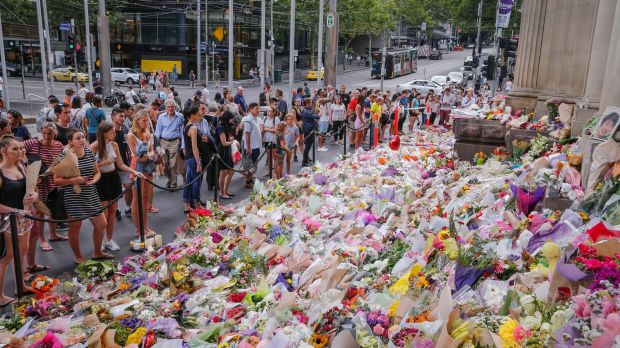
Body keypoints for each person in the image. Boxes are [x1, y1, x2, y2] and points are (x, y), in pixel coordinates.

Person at [53, 129, 112, 263]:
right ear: (70, 141)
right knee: (75, 226)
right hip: (73, 195)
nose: (82, 140)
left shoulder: (88, 152)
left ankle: (97, 252)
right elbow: (56, 179)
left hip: (90, 193)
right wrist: (74, 180)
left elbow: (97, 172)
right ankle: (78, 257)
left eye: (83, 137)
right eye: (78, 138)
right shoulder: (63, 155)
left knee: (102, 224)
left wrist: (94, 180)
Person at [90, 122, 142, 252]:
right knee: (104, 212)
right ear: (103, 133)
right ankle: (101, 241)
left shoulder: (114, 144)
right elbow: (90, 168)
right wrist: (103, 163)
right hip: (100, 180)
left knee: (113, 210)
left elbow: (120, 164)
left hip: (113, 177)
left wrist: (134, 171)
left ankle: (109, 239)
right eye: (112, 132)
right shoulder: (94, 147)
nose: (115, 134)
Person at [0, 135, 38, 306]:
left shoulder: (22, 166)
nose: (20, 151)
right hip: (7, 220)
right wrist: (17, 211)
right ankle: (0, 296)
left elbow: (32, 188)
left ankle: (20, 285)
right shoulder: (0, 172)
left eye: (21, 148)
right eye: (15, 148)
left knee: (22, 251)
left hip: (24, 217)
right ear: (3, 151)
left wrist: (34, 196)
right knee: (7, 256)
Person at [25, 122, 66, 253]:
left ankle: (53, 235)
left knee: (52, 209)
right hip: (39, 183)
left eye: (50, 133)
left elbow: (61, 162)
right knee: (40, 212)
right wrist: (26, 168)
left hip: (53, 182)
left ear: (55, 133)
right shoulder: (32, 143)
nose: (46, 136)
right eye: (44, 133)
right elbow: (17, 150)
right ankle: (42, 239)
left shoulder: (58, 145)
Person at [128, 110, 157, 237]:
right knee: (137, 199)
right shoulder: (131, 135)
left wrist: (148, 154)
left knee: (145, 199)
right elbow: (139, 156)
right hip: (137, 169)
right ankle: (138, 229)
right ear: (137, 120)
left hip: (148, 168)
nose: (146, 123)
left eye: (148, 120)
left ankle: (145, 227)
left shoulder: (147, 133)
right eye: (144, 121)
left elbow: (151, 153)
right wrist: (145, 143)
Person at [155, 99, 184, 189]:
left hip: (174, 141)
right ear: (166, 108)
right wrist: (156, 144)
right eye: (169, 107)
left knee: (173, 163)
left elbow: (182, 130)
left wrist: (182, 143)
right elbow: (158, 131)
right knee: (165, 164)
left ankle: (173, 184)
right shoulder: (161, 117)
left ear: (175, 107)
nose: (170, 108)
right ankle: (169, 179)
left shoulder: (180, 116)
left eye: (172, 107)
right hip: (163, 141)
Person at [182, 104, 205, 211]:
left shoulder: (186, 126)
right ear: (192, 115)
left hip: (188, 157)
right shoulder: (193, 128)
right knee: (196, 182)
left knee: (189, 181)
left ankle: (187, 204)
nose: (199, 116)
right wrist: (198, 162)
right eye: (197, 114)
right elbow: (194, 147)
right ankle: (197, 204)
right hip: (193, 157)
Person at [240, 103, 263, 187]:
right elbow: (247, 133)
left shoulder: (255, 118)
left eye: (258, 108)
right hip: (251, 146)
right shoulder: (249, 120)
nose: (258, 110)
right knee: (249, 164)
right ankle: (248, 181)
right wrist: (248, 147)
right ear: (250, 109)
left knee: (253, 163)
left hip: (255, 145)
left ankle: (250, 180)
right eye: (256, 108)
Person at [217, 111, 235, 199]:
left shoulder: (226, 126)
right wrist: (232, 142)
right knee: (223, 172)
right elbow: (223, 143)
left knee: (231, 171)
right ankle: (222, 192)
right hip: (222, 152)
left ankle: (225, 190)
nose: (232, 120)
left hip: (227, 151)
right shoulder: (221, 127)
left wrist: (230, 139)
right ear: (227, 118)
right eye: (231, 118)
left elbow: (226, 140)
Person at [301, 98, 320, 167]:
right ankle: (304, 162)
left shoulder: (307, 110)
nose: (312, 104)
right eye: (311, 103)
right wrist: (319, 113)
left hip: (310, 130)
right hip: (308, 131)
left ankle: (305, 161)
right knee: (307, 147)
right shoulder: (306, 111)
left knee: (308, 147)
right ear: (308, 104)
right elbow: (316, 116)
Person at [262, 106, 280, 172]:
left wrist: (265, 129)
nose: (268, 112)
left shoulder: (276, 118)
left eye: (269, 111)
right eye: (267, 111)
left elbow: (275, 130)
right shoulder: (264, 119)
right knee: (269, 156)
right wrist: (262, 139)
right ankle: (270, 172)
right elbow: (262, 129)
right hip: (266, 140)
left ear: (274, 112)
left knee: (274, 156)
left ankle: (275, 172)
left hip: (273, 140)